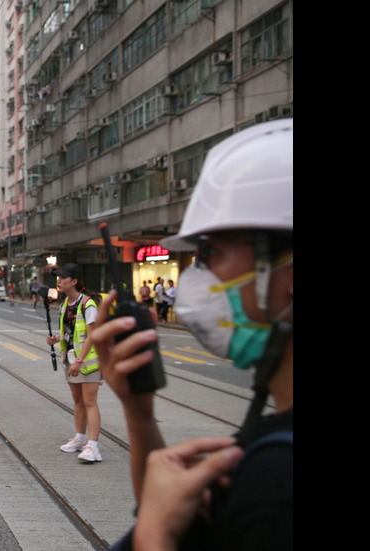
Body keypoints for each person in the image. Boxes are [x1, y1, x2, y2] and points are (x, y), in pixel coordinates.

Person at [95, 119, 293, 550]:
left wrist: (151, 539)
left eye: (211, 253)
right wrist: (139, 414)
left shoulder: (278, 478)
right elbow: (181, 520)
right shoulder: (271, 444)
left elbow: (161, 531)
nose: (197, 277)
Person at [47, 263, 103, 463]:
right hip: (70, 360)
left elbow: (93, 335)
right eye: (58, 278)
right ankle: (80, 438)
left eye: (62, 278)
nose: (59, 281)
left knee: (89, 402)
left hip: (87, 362)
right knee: (78, 401)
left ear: (74, 281)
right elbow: (71, 332)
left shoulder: (88, 304)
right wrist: (56, 338)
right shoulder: (65, 305)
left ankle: (93, 446)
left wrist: (79, 360)